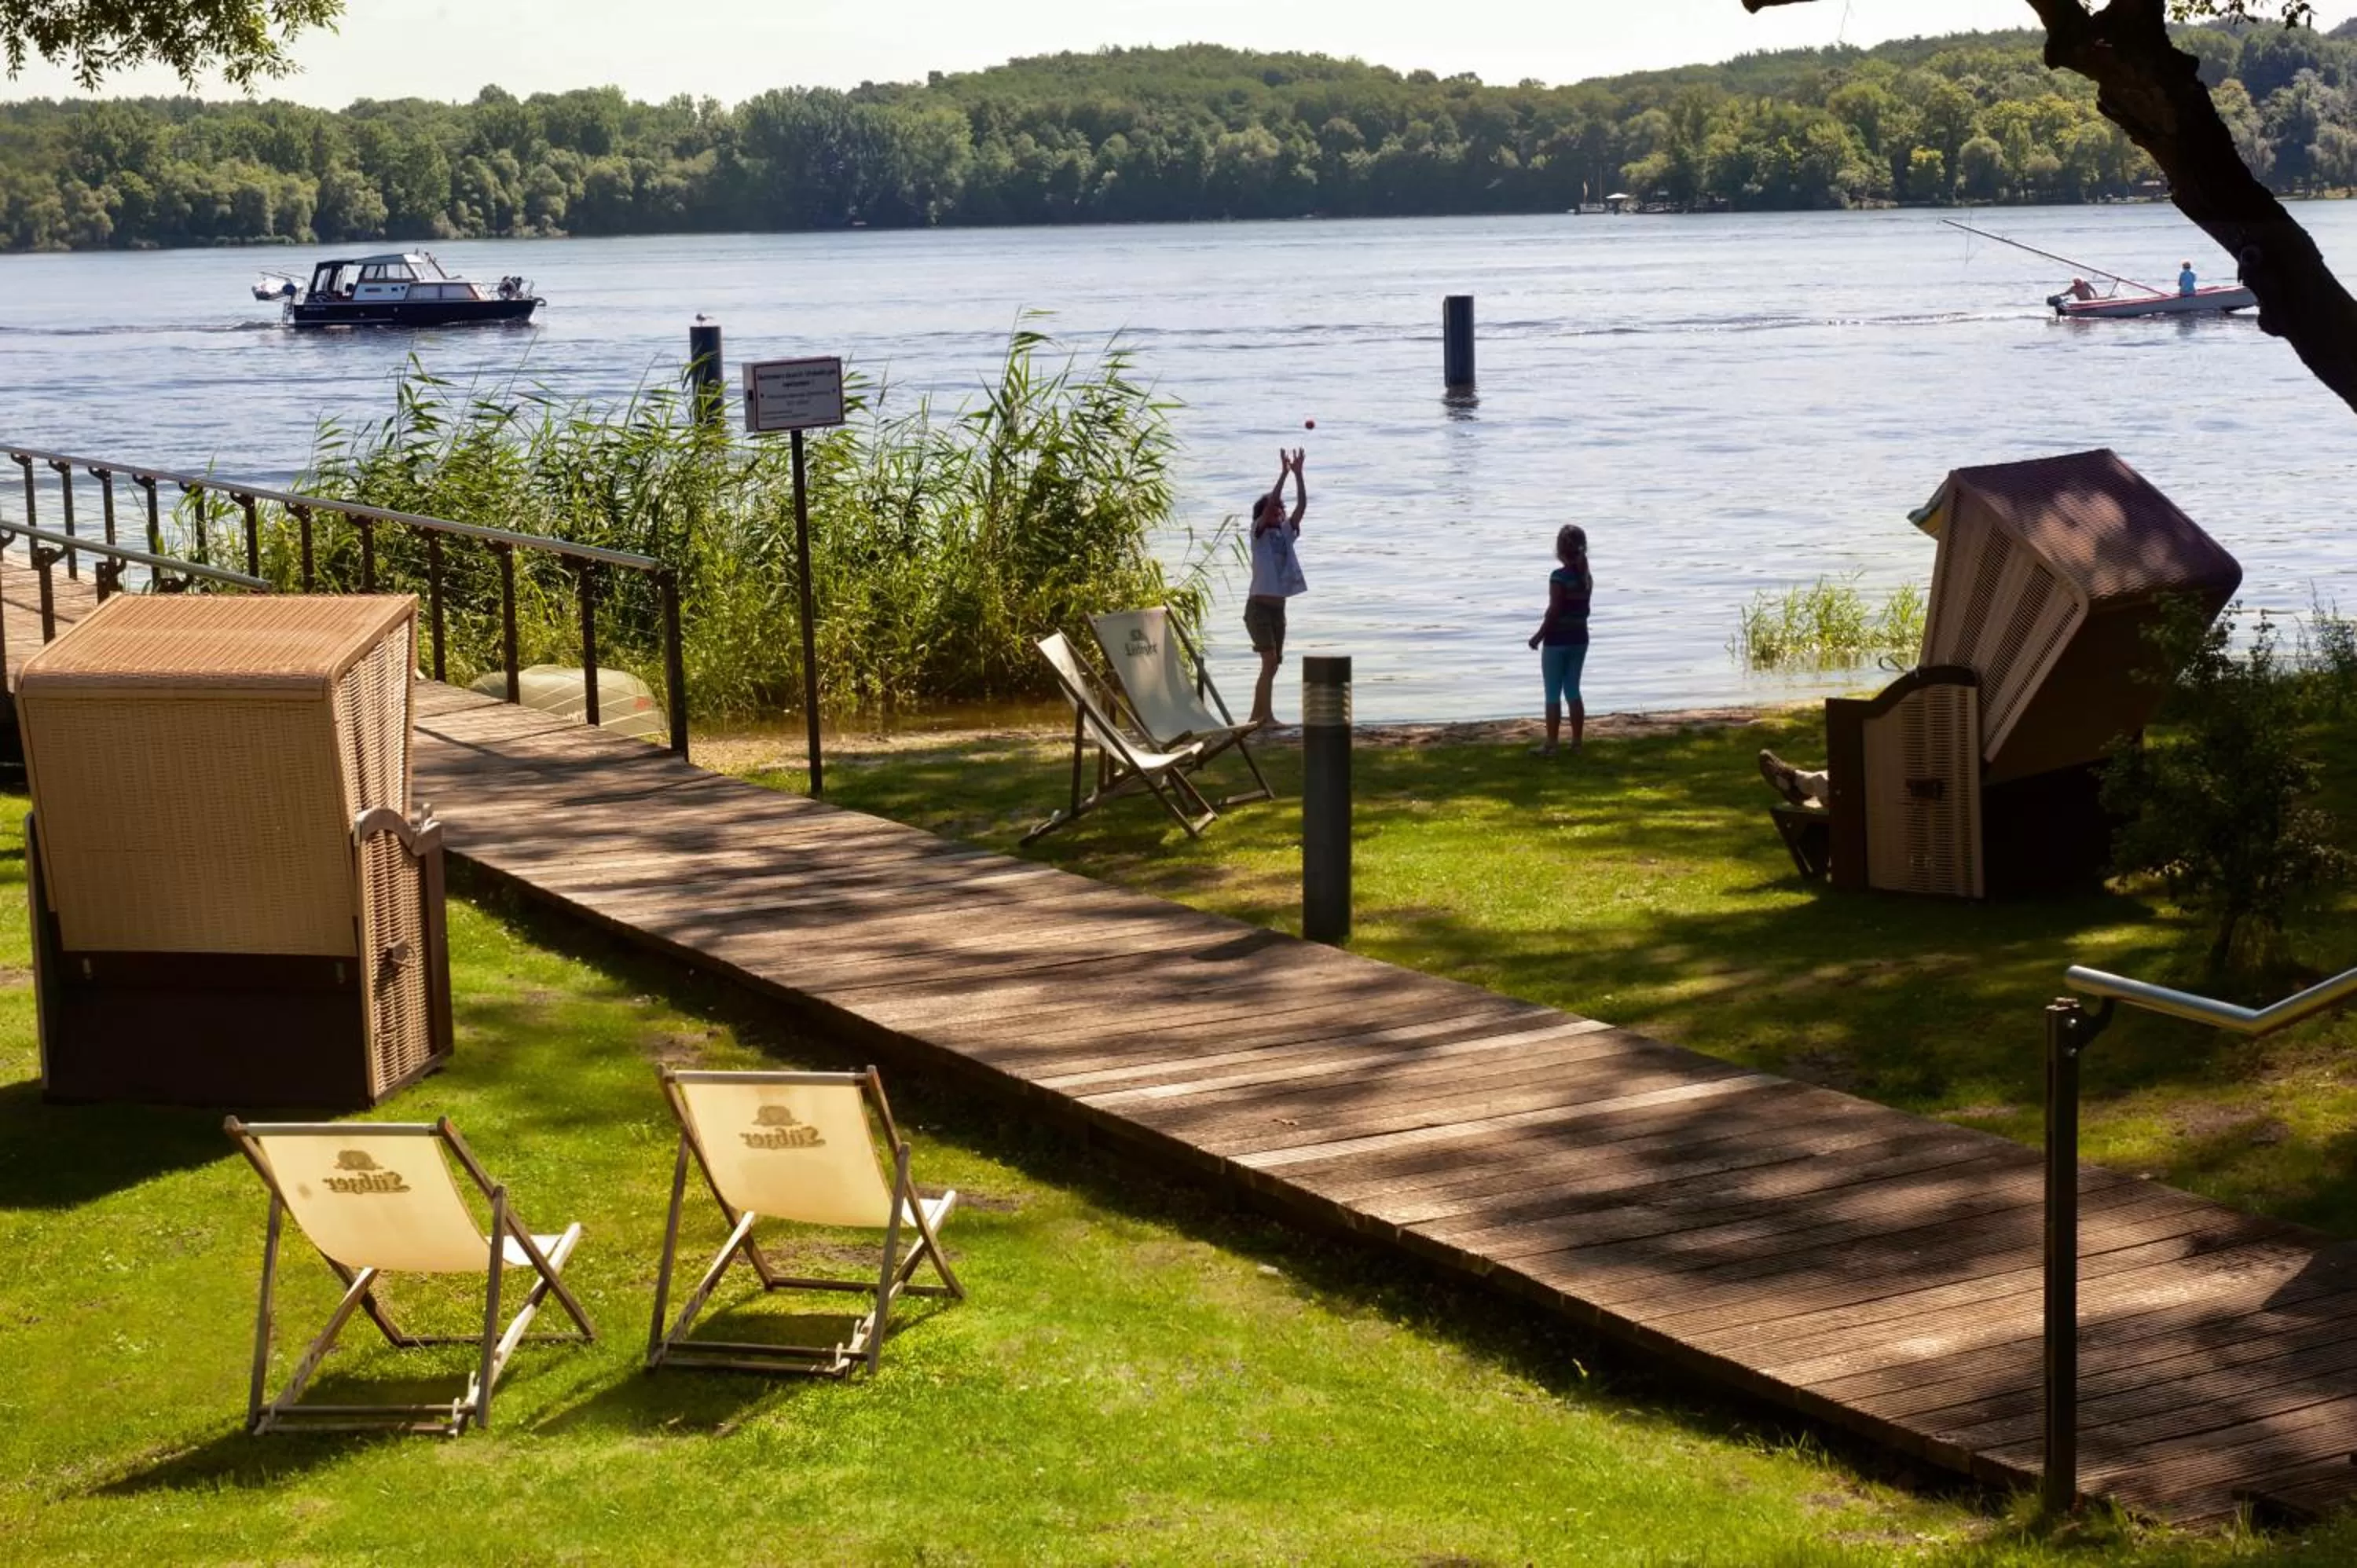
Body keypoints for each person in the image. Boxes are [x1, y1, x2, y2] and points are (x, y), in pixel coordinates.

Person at [1244, 448, 1307, 728]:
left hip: (1278, 608)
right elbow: (1269, 506)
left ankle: (1256, 718)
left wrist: (1299, 475)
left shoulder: (1284, 534)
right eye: (1275, 509)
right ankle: (1265, 718)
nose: (1280, 512)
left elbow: (1302, 507)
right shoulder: (1258, 534)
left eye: (1281, 509)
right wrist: (1282, 474)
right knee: (1269, 661)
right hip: (1258, 607)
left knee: (1273, 665)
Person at [1526, 524, 1591, 757]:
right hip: (1580, 638)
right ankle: (1577, 743)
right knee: (1573, 689)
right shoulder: (1586, 577)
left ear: (1560, 550)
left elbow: (1555, 611)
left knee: (1552, 692)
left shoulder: (1559, 577)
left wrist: (1538, 636)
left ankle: (1552, 744)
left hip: (1558, 641)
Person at [1758, 750, 1831, 808]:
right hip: (1799, 783)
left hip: (1798, 785)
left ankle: (1782, 775)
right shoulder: (1820, 779)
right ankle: (1781, 774)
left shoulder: (1820, 779)